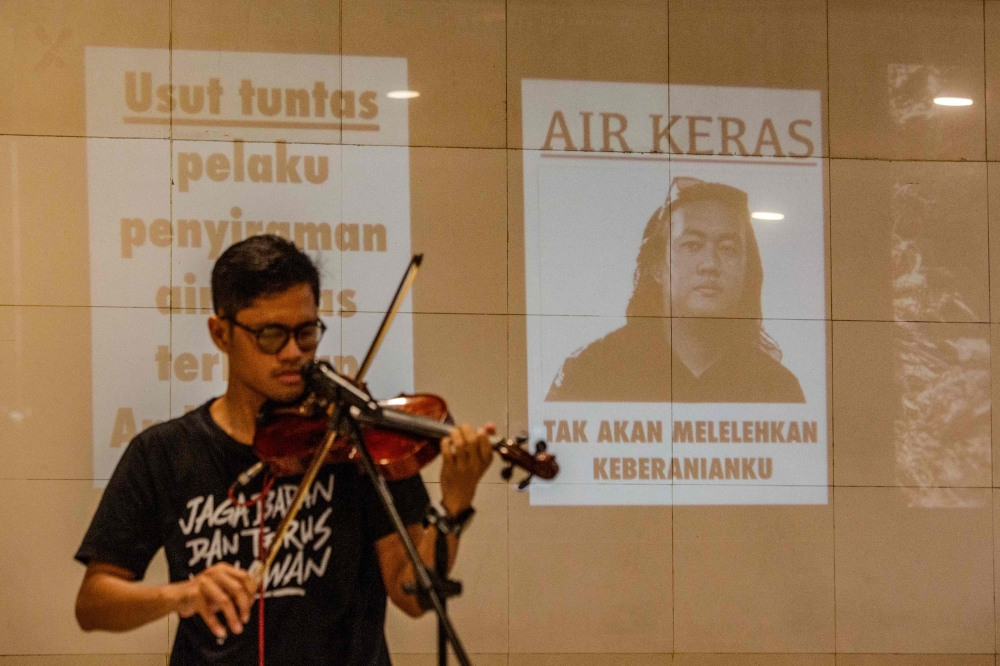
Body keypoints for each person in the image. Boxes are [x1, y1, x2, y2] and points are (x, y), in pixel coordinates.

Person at [74, 235, 494, 665]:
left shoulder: (356, 440)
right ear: (221, 333)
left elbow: (413, 595)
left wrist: (454, 505)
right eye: (271, 335)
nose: (294, 353)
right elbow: (92, 603)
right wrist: (178, 595)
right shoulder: (164, 452)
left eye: (307, 333)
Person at [546, 176, 805, 403]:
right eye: (692, 245)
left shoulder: (777, 387)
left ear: (747, 270)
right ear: (657, 266)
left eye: (728, 248)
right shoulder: (592, 371)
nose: (710, 265)